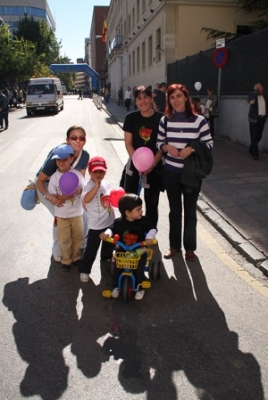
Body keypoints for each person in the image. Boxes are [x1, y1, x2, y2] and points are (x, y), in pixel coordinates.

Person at [156, 83, 213, 261]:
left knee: (190, 211)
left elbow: (209, 144)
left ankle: (190, 248)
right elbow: (158, 143)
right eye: (172, 97)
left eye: (179, 96)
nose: (176, 100)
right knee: (174, 211)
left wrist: (192, 148)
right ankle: (174, 246)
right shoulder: (165, 120)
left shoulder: (199, 121)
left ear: (186, 97)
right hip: (171, 172)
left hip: (191, 174)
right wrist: (166, 147)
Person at [35, 125, 90, 262]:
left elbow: (80, 179)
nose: (78, 141)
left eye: (81, 138)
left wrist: (81, 197)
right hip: (47, 187)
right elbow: (40, 181)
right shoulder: (59, 154)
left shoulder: (85, 155)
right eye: (74, 137)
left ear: (85, 140)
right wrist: (49, 196)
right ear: (67, 139)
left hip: (68, 190)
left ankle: (78, 245)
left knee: (83, 215)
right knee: (60, 217)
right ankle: (57, 250)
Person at [100, 193, 157, 301]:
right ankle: (115, 287)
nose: (141, 211)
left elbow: (153, 228)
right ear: (127, 212)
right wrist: (107, 233)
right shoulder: (119, 222)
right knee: (117, 267)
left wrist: (149, 237)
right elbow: (112, 228)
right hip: (123, 249)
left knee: (139, 268)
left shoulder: (143, 221)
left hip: (139, 249)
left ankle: (140, 287)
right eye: (138, 209)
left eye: (141, 209)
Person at [123, 85, 164, 227]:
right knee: (130, 202)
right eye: (139, 98)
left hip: (154, 168)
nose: (143, 101)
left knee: (152, 202)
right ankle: (130, 230)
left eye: (146, 97)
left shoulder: (161, 118)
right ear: (135, 100)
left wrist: (151, 165)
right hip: (134, 166)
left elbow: (162, 145)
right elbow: (128, 143)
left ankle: (150, 232)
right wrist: (138, 163)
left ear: (151, 97)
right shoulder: (131, 118)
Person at [48, 145, 85, 272]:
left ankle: (76, 257)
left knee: (78, 236)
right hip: (62, 214)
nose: (61, 162)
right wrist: (63, 197)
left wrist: (79, 190)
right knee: (64, 238)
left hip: (76, 213)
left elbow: (84, 190)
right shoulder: (54, 178)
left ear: (71, 159)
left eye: (64, 159)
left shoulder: (77, 175)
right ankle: (66, 260)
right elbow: (53, 195)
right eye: (58, 160)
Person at [79, 157, 115, 283]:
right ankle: (84, 270)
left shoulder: (108, 184)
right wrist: (96, 186)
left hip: (109, 222)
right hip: (95, 226)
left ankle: (105, 258)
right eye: (96, 171)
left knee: (109, 245)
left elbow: (114, 199)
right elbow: (86, 199)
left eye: (101, 171)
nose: (99, 174)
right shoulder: (87, 186)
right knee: (91, 250)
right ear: (89, 171)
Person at [248, 82, 268, 160]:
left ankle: (252, 147)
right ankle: (255, 153)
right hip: (253, 119)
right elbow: (250, 102)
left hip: (262, 118)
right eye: (257, 89)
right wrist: (255, 92)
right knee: (253, 136)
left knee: (259, 135)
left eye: (260, 88)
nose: (259, 90)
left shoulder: (266, 95)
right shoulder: (252, 95)